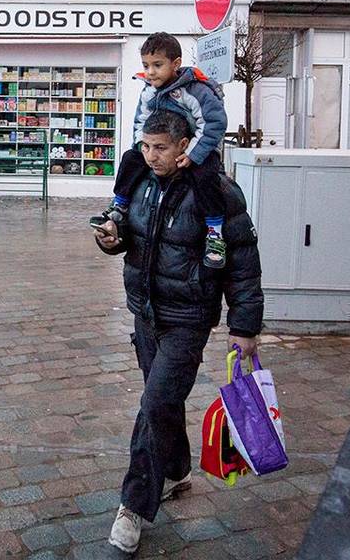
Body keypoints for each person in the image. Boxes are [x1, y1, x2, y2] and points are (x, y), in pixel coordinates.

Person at [93, 111, 263, 554]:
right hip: (145, 312)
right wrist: (111, 238)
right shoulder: (141, 183)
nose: (151, 156)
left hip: (189, 318)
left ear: (185, 145)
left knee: (155, 401)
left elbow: (242, 264)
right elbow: (130, 236)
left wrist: (244, 325)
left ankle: (133, 505)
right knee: (162, 402)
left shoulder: (217, 192)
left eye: (161, 148)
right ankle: (177, 470)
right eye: (146, 147)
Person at [91, 32, 230, 269]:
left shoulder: (195, 90)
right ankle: (119, 206)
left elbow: (214, 123)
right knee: (130, 159)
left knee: (206, 177)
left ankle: (214, 233)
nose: (151, 72)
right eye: (146, 66)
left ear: (175, 64)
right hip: (167, 146)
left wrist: (193, 154)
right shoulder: (148, 91)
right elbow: (140, 122)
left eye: (157, 65)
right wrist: (142, 148)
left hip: (198, 149)